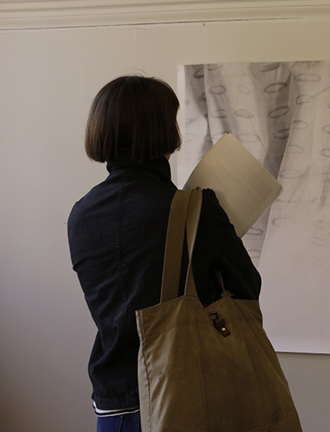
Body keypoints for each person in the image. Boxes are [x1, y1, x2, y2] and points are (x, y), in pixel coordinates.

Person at [67, 76, 262, 432]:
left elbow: (122, 298)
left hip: (113, 406)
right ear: (162, 131)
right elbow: (246, 290)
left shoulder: (80, 214)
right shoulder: (195, 207)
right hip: (181, 396)